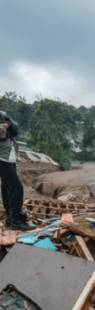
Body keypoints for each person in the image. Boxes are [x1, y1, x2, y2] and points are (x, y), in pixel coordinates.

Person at [0, 98, 36, 231]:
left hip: (8, 155)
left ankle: (10, 219)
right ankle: (16, 220)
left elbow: (15, 129)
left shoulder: (2, 115)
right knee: (17, 187)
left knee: (7, 187)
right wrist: (6, 127)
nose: (1, 101)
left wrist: (7, 127)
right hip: (1, 156)